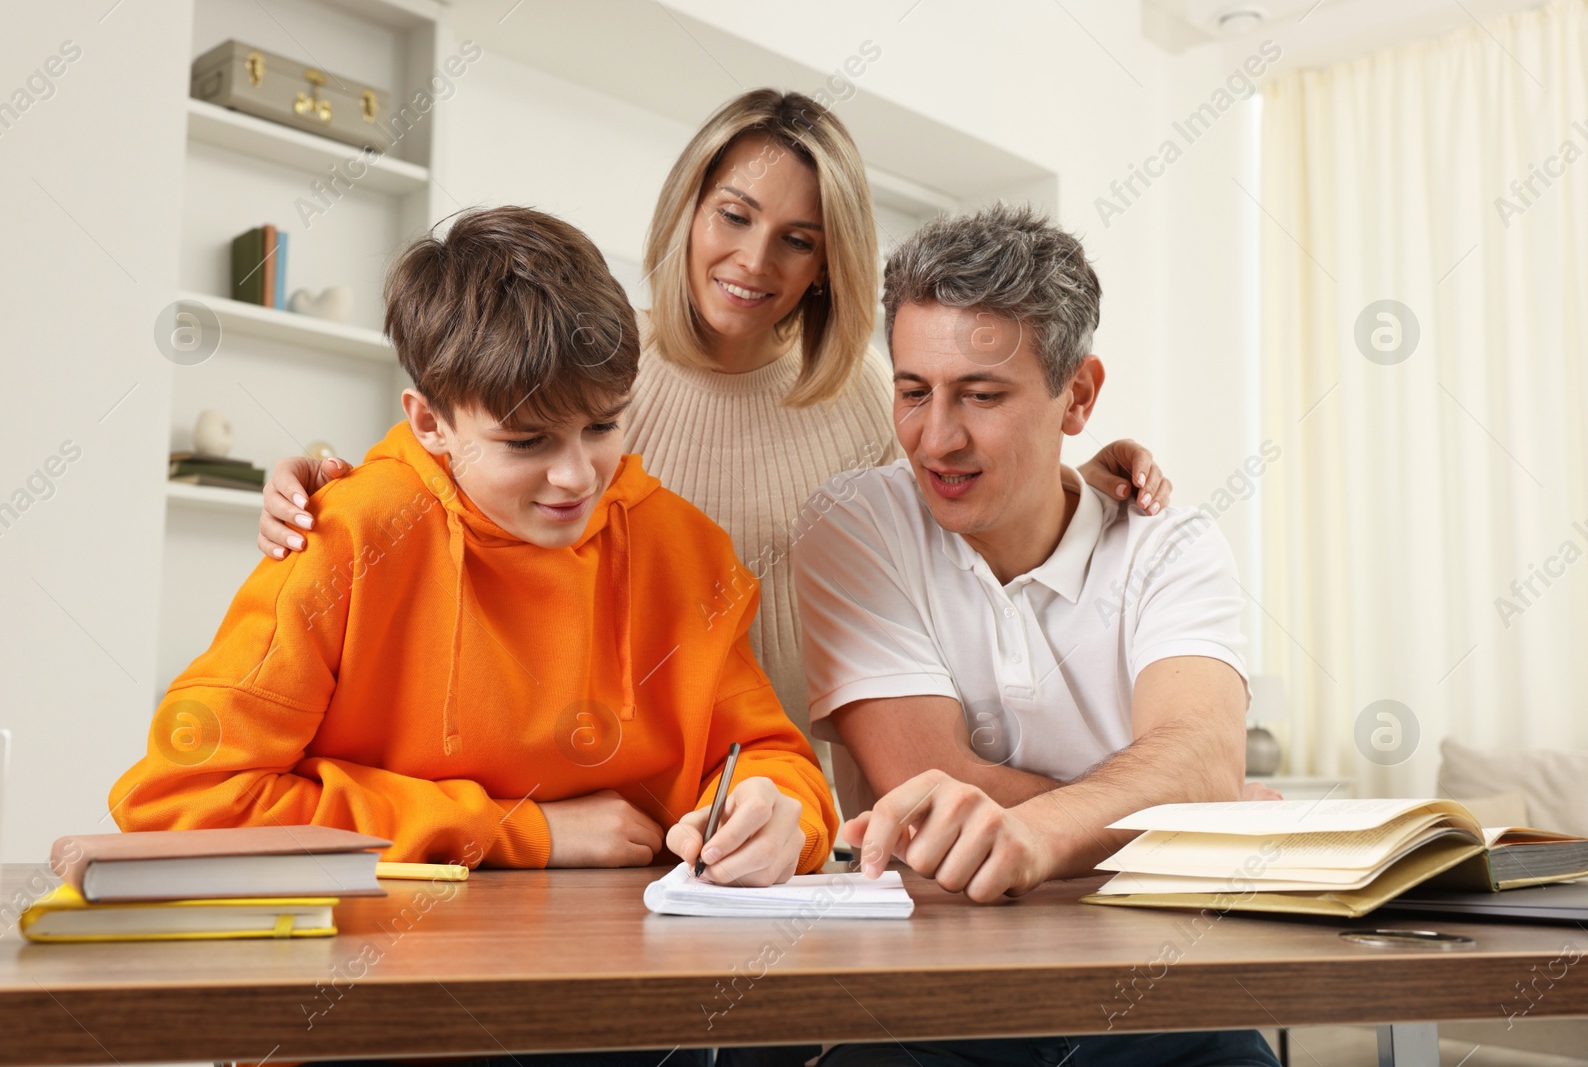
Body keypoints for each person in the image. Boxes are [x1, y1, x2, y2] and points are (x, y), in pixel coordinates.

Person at [251, 91, 1173, 795]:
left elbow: (956, 515)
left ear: (826, 264)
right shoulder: (601, 372)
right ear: (690, 208)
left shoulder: (865, 398)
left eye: (797, 240)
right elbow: (451, 460)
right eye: (734, 215)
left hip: (802, 777)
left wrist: (1064, 473)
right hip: (625, 772)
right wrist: (321, 479)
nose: (754, 262)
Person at [112, 207, 836, 913]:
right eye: (527, 442)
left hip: (624, 989)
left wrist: (781, 820)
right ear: (430, 422)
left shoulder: (686, 551)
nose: (577, 476)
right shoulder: (343, 539)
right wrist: (520, 828)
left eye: (603, 425)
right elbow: (182, 796)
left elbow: (779, 765)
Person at [796, 204, 1280, 1067]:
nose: (937, 438)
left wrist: (1050, 827)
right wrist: (1174, 816)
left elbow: (1201, 756)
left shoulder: (1171, 544)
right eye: (913, 392)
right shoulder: (855, 525)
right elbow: (929, 789)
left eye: (981, 395)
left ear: (1079, 396)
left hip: (1163, 999)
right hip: (932, 1010)